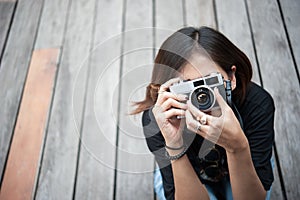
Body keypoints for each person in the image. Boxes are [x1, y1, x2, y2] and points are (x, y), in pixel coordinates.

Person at [132, 26, 275, 200]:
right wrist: (174, 144)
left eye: (208, 82)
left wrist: (238, 147)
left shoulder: (257, 105)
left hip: (245, 159)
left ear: (231, 77)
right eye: (186, 87)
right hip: (185, 171)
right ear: (168, 89)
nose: (200, 96)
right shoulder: (160, 119)